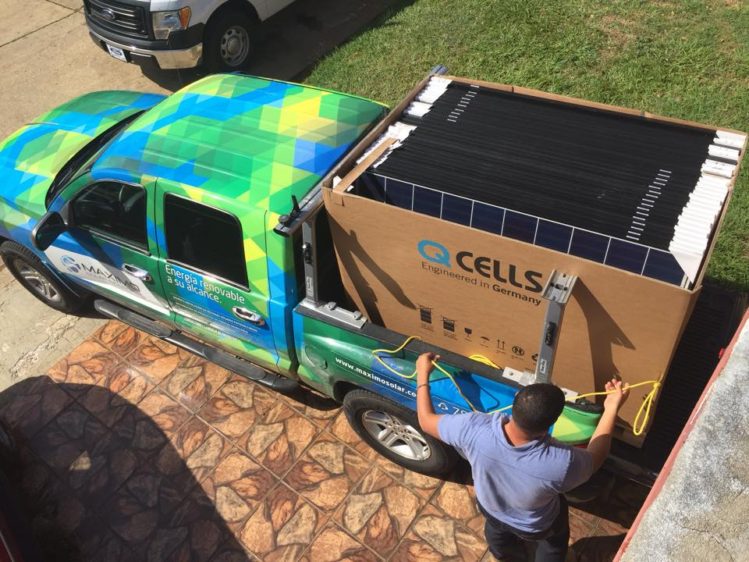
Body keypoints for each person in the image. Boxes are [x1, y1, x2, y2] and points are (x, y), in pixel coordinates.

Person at [415, 352, 629, 562]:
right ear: (549, 426)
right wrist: (611, 407)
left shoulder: (472, 428)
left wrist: (422, 374)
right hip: (535, 526)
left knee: (497, 532)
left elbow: (426, 421)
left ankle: (504, 555)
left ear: (516, 399)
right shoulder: (560, 463)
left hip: (491, 509)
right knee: (554, 542)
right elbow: (596, 457)